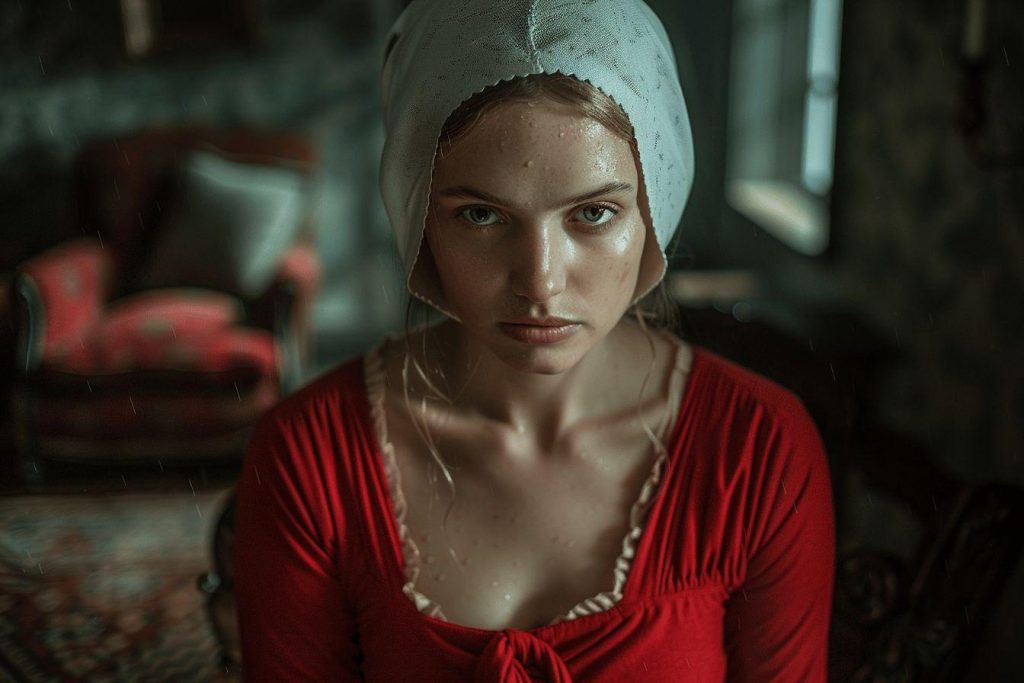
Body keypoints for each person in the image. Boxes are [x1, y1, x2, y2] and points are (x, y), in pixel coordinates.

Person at [232, 0, 835, 680]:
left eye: (593, 212)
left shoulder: (758, 451)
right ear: (417, 210)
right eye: (483, 215)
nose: (539, 281)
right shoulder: (309, 458)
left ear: (655, 206)